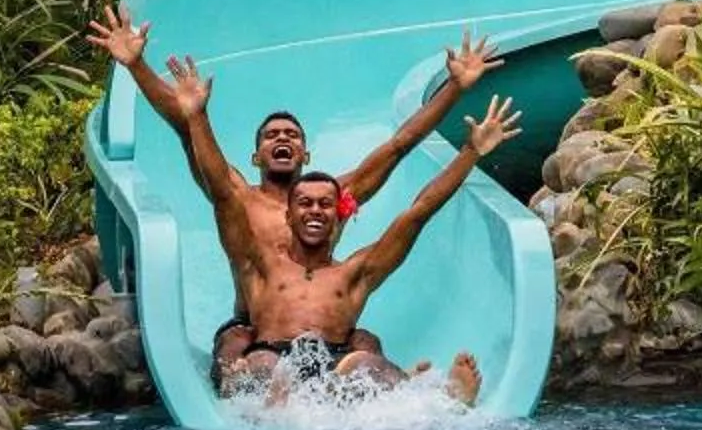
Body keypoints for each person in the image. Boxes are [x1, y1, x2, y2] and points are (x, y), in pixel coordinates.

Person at [87, 3, 497, 378]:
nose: (282, 139)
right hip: (256, 325)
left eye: (291, 134)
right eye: (271, 136)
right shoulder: (237, 196)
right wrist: (138, 66)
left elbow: (400, 146)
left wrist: (455, 89)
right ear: (256, 156)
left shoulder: (335, 193)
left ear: (306, 152)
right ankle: (239, 402)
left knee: (367, 345)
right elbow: (187, 125)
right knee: (237, 349)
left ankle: (412, 392)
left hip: (328, 329)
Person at [151, 51, 519, 403]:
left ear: (340, 209)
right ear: (289, 216)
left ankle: (433, 396)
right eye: (306, 204)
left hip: (333, 347)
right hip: (260, 335)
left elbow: (413, 195)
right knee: (250, 358)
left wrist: (468, 142)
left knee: (366, 355)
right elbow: (219, 188)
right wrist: (193, 113)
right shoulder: (255, 248)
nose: (316, 210)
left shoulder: (351, 269)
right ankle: (250, 398)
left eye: (325, 205)